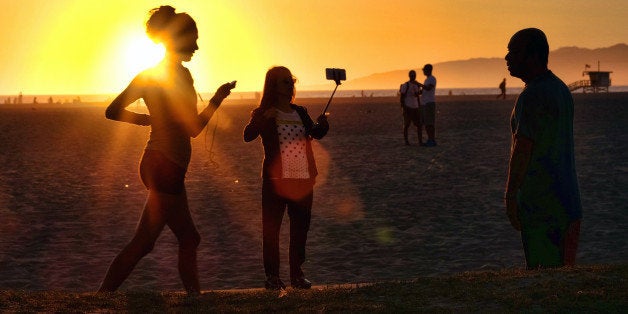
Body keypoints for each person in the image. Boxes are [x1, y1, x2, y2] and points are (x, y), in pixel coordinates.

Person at [98, 5, 236, 294]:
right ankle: (104, 295)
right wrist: (217, 100)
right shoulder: (175, 77)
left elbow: (113, 111)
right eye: (193, 39)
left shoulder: (154, 75)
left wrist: (147, 120)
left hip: (161, 163)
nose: (197, 47)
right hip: (165, 165)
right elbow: (193, 129)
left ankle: (192, 298)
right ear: (177, 39)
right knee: (154, 241)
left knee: (183, 239)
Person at [243, 66, 329, 290]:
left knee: (300, 229)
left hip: (302, 179)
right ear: (273, 85)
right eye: (284, 81)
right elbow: (247, 135)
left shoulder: (300, 111)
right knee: (271, 229)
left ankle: (297, 275)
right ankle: (272, 277)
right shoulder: (262, 112)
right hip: (276, 182)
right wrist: (264, 118)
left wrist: (323, 125)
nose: (290, 84)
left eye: (291, 80)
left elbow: (314, 133)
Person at [504, 28, 582, 269]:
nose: (507, 58)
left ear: (533, 56)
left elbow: (522, 149)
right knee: (563, 281)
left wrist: (510, 196)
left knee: (544, 278)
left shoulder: (533, 95)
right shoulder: (560, 89)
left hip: (543, 205)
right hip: (568, 202)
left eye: (514, 52)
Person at [399, 70, 422, 145]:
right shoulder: (406, 85)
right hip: (408, 107)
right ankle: (406, 141)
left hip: (416, 107)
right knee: (407, 125)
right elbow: (402, 97)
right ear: (409, 76)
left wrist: (419, 106)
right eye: (412, 75)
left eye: (414, 75)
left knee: (419, 124)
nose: (413, 76)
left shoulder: (416, 85)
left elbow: (417, 96)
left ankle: (420, 141)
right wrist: (404, 107)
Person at [418, 64, 437, 146]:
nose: (423, 71)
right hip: (425, 103)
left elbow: (428, 88)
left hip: (429, 103)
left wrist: (419, 84)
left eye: (424, 70)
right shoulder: (427, 80)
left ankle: (431, 140)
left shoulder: (432, 79)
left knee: (430, 123)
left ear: (428, 70)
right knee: (426, 123)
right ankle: (430, 139)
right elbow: (423, 90)